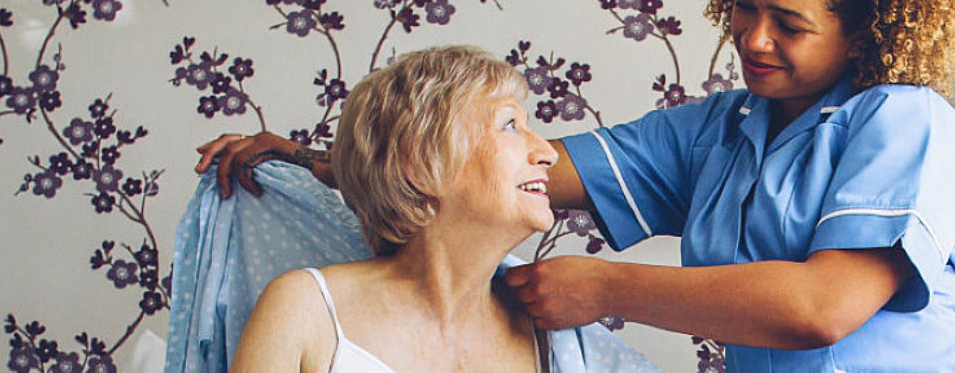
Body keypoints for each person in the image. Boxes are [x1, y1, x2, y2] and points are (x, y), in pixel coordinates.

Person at [197, 0, 955, 370]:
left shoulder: (907, 125)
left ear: (866, 26)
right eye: (744, 5)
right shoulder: (719, 133)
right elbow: (482, 165)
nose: (752, 38)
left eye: (788, 23)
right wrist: (315, 159)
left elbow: (821, 308)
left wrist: (604, 287)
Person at [199, 46, 659, 372]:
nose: (546, 152)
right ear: (420, 165)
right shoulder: (304, 308)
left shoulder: (549, 335)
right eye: (510, 125)